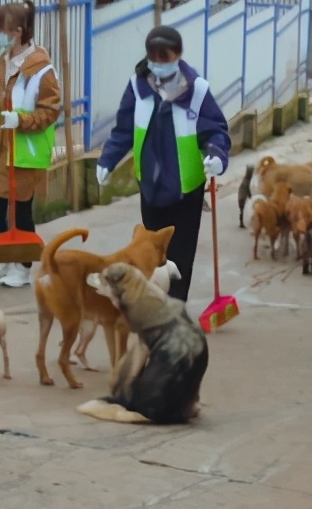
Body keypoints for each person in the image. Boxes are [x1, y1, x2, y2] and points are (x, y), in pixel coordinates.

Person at [96, 25, 231, 303]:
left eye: (164, 58)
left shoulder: (197, 90)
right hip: (150, 187)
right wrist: (108, 159)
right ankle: (154, 305)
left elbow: (216, 130)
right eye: (152, 59)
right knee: (151, 253)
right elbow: (123, 129)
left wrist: (216, 155)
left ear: (178, 55)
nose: (157, 65)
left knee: (180, 257)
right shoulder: (138, 86)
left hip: (186, 187)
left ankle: (176, 309)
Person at [0, 0, 62, 289]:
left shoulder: (41, 68)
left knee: (20, 210)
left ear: (19, 31)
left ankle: (22, 266)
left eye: (3, 30)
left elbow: (51, 110)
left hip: (24, 147)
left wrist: (22, 120)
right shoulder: (1, 61)